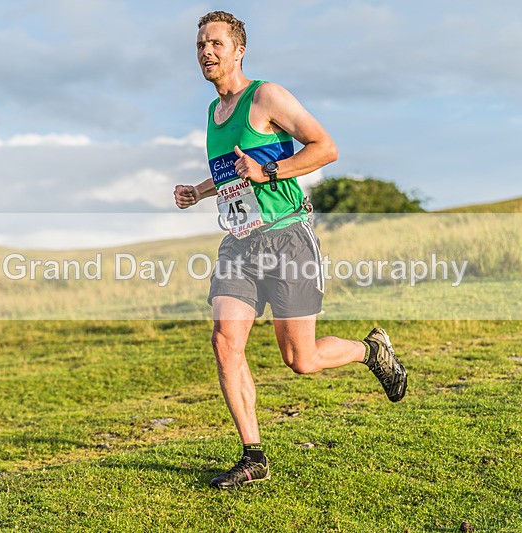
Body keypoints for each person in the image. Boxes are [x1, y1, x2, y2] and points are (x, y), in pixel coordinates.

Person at [173, 11, 407, 490]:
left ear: (239, 50)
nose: (206, 53)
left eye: (216, 44)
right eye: (200, 45)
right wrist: (199, 192)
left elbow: (326, 147)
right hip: (240, 242)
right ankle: (253, 456)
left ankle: (370, 350)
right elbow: (235, 174)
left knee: (301, 360)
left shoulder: (267, 96)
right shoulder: (213, 114)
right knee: (224, 341)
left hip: (287, 237)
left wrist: (271, 173)